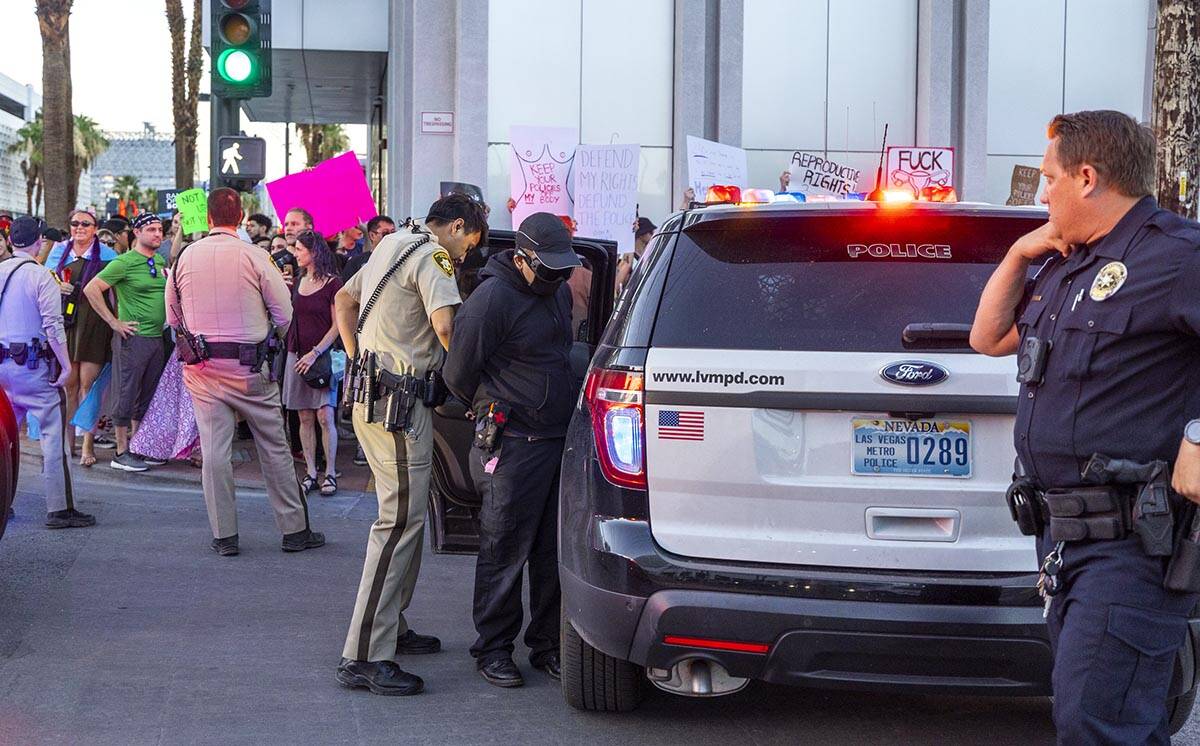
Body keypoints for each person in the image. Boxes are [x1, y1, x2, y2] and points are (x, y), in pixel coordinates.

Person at [970, 110, 1200, 743]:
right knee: (1118, 723)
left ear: (1088, 177)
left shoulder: (1177, 256)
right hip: (1063, 540)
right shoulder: (1068, 265)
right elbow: (987, 338)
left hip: (1134, 542)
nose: (1043, 194)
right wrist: (1020, 250)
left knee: (1094, 725)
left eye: (1049, 179)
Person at [334, 193, 487, 696]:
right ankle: (363, 654)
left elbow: (343, 301)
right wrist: (472, 386)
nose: (464, 257)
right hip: (399, 408)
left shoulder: (392, 241)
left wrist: (361, 362)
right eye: (469, 246)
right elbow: (446, 326)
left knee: (407, 518)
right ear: (458, 227)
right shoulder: (434, 254)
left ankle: (390, 626)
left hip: (373, 399)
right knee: (397, 523)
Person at [443, 212, 580, 688]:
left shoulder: (558, 289)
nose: (559, 276)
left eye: (564, 268)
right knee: (503, 549)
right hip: (514, 442)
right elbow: (457, 374)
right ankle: (494, 648)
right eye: (550, 268)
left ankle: (546, 644)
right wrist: (489, 404)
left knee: (551, 551)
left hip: (555, 439)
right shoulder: (491, 299)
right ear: (522, 259)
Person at [166, 187, 325, 557]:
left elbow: (172, 317)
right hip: (251, 368)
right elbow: (286, 316)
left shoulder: (186, 258)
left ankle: (224, 536)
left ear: (207, 218)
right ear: (240, 219)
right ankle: (294, 530)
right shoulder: (255, 255)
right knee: (274, 447)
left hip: (202, 369)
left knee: (214, 451)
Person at [0, 217, 94, 529]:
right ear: (39, 241)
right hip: (34, 368)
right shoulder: (41, 277)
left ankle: (4, 504)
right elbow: (53, 326)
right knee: (54, 436)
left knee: (5, 439)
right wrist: (66, 364)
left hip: (3, 369)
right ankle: (60, 508)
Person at [83, 212, 168, 473]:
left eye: (160, 230)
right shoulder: (124, 262)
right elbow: (91, 289)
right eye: (151, 229)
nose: (157, 234)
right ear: (137, 233)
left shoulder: (159, 258)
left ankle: (138, 446)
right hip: (133, 338)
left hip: (156, 337)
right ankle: (121, 452)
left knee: (146, 394)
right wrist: (114, 322)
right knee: (126, 392)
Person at [48, 210, 118, 467]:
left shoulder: (109, 257)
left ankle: (88, 443)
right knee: (69, 387)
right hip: (66, 324)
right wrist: (56, 286)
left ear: (95, 228)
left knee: (90, 386)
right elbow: (42, 280)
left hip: (95, 326)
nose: (79, 228)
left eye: (85, 224)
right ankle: (69, 444)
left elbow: (117, 293)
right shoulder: (58, 252)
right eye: (75, 223)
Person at [282, 231, 342, 497]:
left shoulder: (333, 284)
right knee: (304, 416)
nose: (295, 253)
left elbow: (337, 325)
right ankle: (310, 471)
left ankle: (329, 471)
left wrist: (316, 352)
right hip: (297, 355)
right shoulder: (297, 281)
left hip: (320, 357)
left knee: (325, 415)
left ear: (314, 251)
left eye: (299, 249)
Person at [340, 215, 396, 284]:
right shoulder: (356, 262)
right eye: (385, 233)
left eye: (393, 233)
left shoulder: (401, 258)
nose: (390, 237)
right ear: (372, 235)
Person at [615, 216, 656, 294]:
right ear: (641, 235)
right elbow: (617, 286)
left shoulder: (648, 255)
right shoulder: (626, 259)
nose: (653, 235)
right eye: (650, 232)